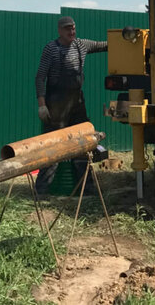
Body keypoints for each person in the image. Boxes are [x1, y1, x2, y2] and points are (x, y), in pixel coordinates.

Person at [34, 15, 107, 193]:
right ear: (59, 30)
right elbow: (40, 78)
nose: (71, 32)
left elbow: (104, 45)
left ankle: (86, 189)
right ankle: (42, 191)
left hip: (76, 101)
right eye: (67, 29)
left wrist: (126, 39)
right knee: (53, 145)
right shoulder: (51, 49)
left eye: (73, 28)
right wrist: (42, 104)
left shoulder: (81, 45)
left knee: (83, 142)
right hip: (56, 103)